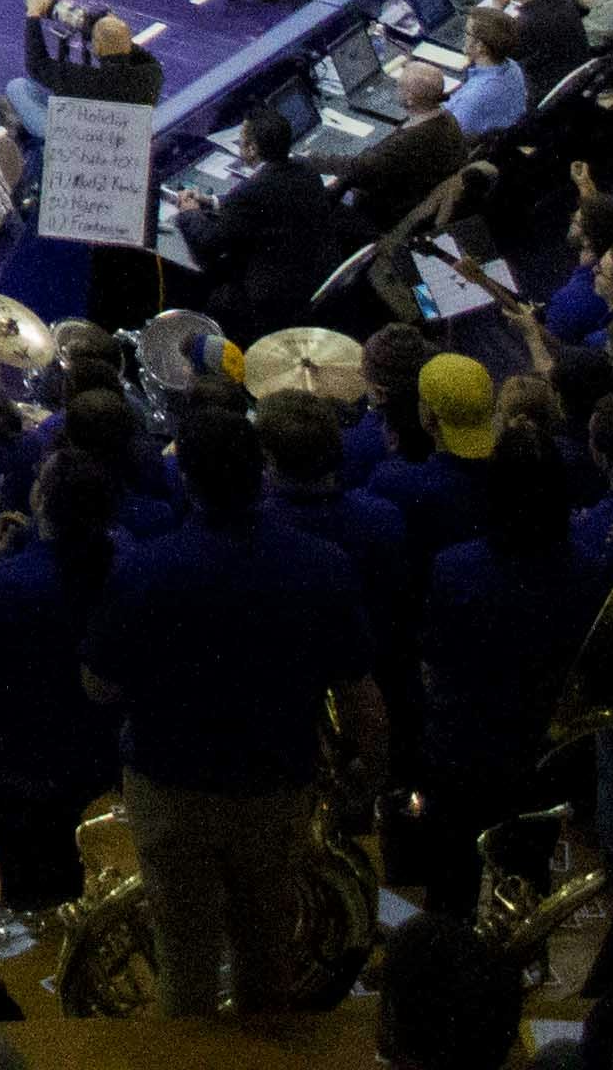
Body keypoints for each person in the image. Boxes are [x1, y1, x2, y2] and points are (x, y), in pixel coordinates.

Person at [78, 412, 384, 1020]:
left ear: (187, 478)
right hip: (275, 786)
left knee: (184, 961)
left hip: (170, 787)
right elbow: (359, 695)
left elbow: (99, 686)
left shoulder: (144, 566)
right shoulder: (321, 563)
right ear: (261, 471)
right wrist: (367, 779)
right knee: (267, 955)